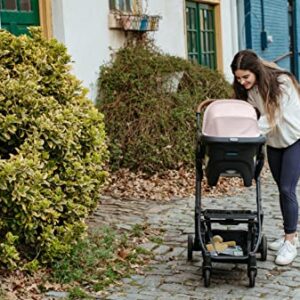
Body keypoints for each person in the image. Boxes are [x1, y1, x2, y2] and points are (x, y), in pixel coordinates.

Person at [230, 49, 300, 265]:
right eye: (238, 78)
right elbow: (249, 116)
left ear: (256, 71)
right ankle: (290, 233)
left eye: (245, 77)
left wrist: (241, 137)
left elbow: (271, 119)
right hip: (275, 143)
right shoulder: (249, 90)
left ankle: (291, 242)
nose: (241, 82)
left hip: (295, 139)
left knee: (288, 189)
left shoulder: (282, 83)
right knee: (281, 188)